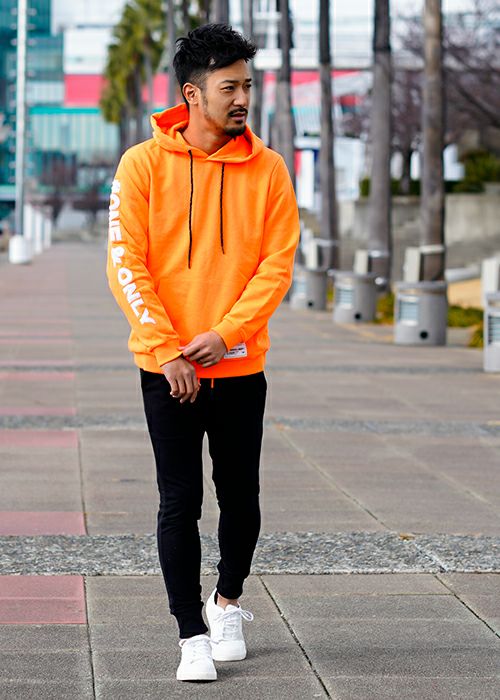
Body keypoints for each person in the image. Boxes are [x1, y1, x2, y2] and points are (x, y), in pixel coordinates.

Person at [106, 23, 299, 682]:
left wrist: (226, 334)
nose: (242, 97)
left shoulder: (269, 170)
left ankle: (228, 602)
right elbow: (126, 263)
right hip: (167, 369)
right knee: (178, 500)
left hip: (239, 364)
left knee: (240, 496)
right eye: (229, 87)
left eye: (247, 85)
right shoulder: (141, 165)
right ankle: (190, 631)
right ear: (192, 93)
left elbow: (276, 266)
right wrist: (169, 350)